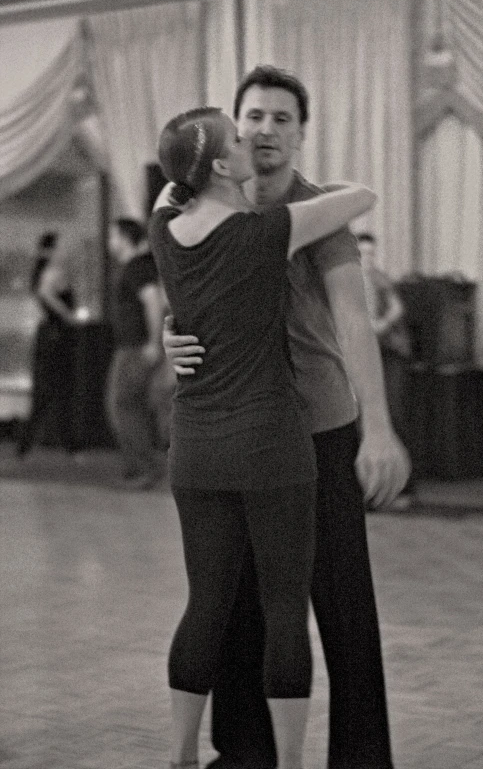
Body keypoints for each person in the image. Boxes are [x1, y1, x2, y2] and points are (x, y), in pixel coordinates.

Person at [162, 66, 410, 769]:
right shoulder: (207, 207)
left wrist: (379, 429)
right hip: (238, 439)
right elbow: (188, 296)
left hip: (318, 431)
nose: (266, 129)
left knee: (342, 607)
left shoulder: (317, 212)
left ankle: (362, 757)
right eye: (255, 116)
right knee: (238, 604)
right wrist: (167, 338)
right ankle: (246, 752)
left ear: (301, 132)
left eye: (282, 118)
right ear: (232, 129)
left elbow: (354, 323)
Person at [106, 218, 164, 489]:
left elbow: (153, 302)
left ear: (125, 238)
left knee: (125, 406)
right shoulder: (136, 267)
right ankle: (136, 466)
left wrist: (152, 343)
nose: (110, 242)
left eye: (113, 236)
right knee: (125, 406)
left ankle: (145, 468)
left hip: (135, 347)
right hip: (131, 346)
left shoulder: (138, 268)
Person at [358, 232, 414, 499]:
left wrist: (381, 325)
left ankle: (402, 485)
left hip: (390, 355)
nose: (367, 259)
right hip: (368, 356)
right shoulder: (350, 279)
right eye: (362, 253)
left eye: (370, 253)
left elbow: (396, 308)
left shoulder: (379, 278)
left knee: (394, 412)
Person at [17, 231, 80, 457]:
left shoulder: (48, 271)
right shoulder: (54, 272)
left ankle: (30, 446)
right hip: (56, 337)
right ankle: (65, 446)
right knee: (55, 391)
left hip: (51, 336)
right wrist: (67, 316)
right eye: (62, 246)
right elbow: (45, 294)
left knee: (48, 392)